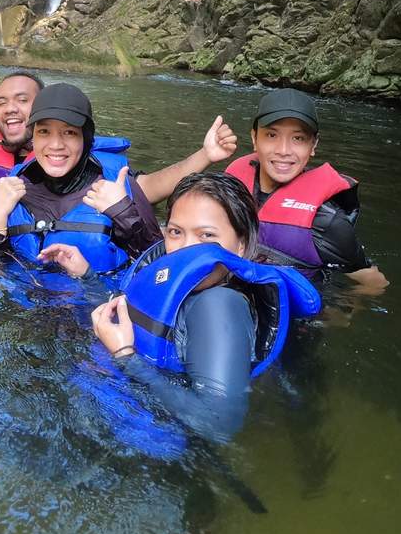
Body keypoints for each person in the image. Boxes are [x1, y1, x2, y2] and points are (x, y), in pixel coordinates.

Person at [73, 173, 319, 440]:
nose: (186, 249)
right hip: (121, 416)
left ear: (241, 245)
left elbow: (218, 424)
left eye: (207, 235)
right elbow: (129, 314)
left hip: (157, 447)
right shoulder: (175, 283)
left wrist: (125, 357)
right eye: (176, 232)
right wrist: (87, 277)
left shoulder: (219, 304)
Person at [0, 71, 240, 200]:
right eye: (1, 102)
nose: (10, 109)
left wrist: (205, 156)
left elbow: (147, 187)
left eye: (22, 100)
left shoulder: (77, 159)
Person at [0, 82, 159, 274]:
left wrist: (124, 214)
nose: (56, 144)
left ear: (86, 138)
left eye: (69, 132)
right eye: (44, 131)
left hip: (98, 301)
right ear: (32, 137)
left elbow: (161, 271)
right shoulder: (13, 188)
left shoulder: (118, 188)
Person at [226, 88, 387, 290]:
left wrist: (343, 316)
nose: (283, 150)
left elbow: (374, 282)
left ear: (313, 145)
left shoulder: (328, 222)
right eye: (271, 135)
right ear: (254, 138)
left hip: (291, 315)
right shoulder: (228, 190)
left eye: (298, 138)